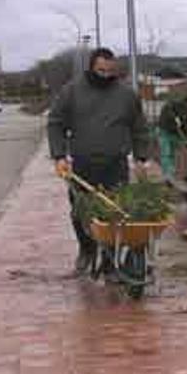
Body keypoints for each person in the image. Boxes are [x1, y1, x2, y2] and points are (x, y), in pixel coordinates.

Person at [48, 47, 150, 274]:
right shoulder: (72, 92)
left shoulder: (126, 95)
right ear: (91, 68)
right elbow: (55, 123)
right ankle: (87, 249)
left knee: (114, 211)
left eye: (109, 71)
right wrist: (59, 156)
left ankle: (110, 258)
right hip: (83, 164)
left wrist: (142, 158)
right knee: (80, 211)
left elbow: (139, 128)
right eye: (100, 70)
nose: (105, 75)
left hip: (115, 164)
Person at [157, 94, 187, 180]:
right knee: (166, 153)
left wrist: (186, 140)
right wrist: (174, 118)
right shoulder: (173, 104)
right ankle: (168, 175)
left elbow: (186, 127)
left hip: (176, 133)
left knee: (175, 153)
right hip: (165, 130)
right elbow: (167, 109)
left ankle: (176, 172)